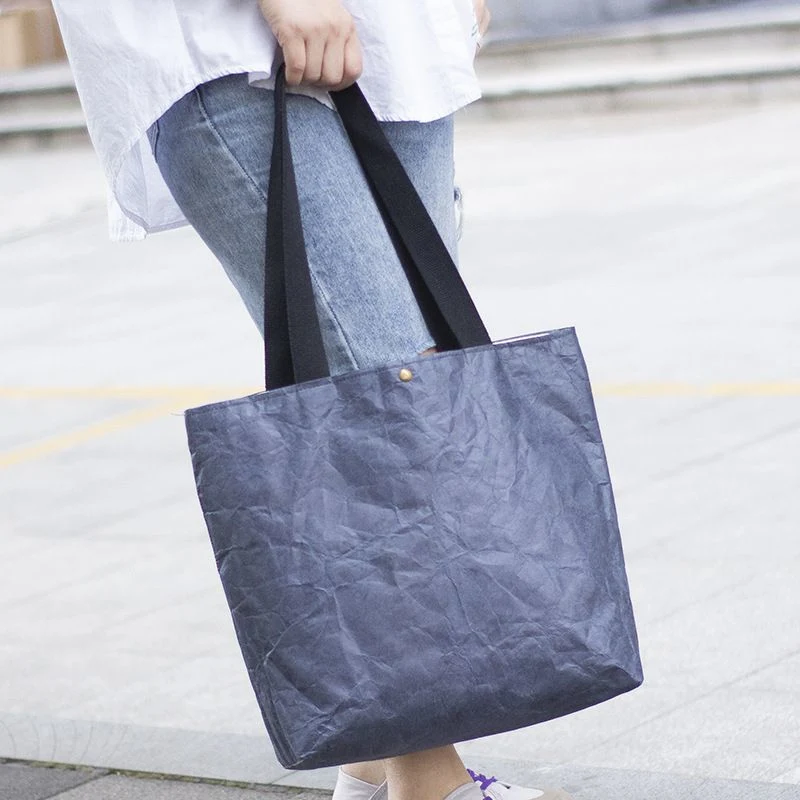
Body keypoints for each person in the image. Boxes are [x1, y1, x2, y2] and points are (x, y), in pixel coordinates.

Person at [50, 1, 573, 799]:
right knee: (387, 414)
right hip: (235, 41)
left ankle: (372, 767)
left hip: (400, 32)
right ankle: (431, 782)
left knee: (421, 392)